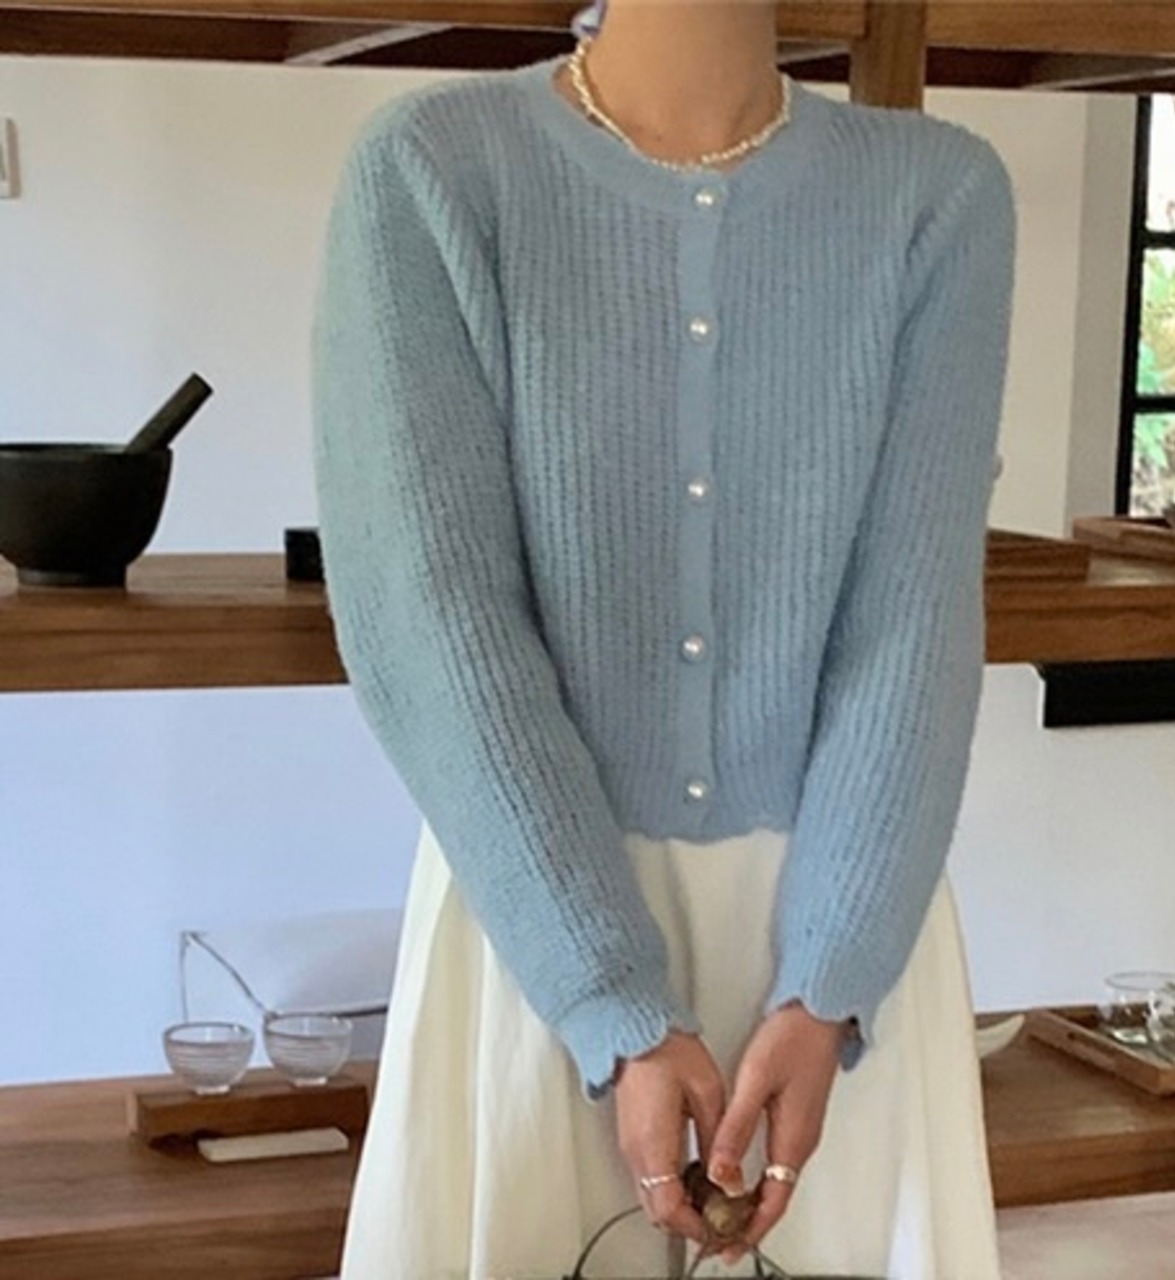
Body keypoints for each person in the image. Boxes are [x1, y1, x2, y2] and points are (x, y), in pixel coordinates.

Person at [310, 0, 1016, 1275]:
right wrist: (611, 1001)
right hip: (533, 921)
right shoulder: (430, 171)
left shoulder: (936, 196)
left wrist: (826, 986)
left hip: (839, 930)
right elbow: (432, 613)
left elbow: (911, 619)